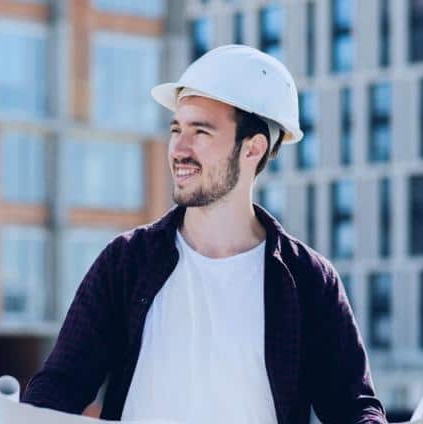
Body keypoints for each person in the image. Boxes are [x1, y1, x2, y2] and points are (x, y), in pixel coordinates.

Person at [22, 45, 387, 423]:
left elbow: (352, 406)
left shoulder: (309, 280)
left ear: (253, 149)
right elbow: (60, 387)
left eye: (201, 131)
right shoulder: (127, 262)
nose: (179, 148)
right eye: (176, 129)